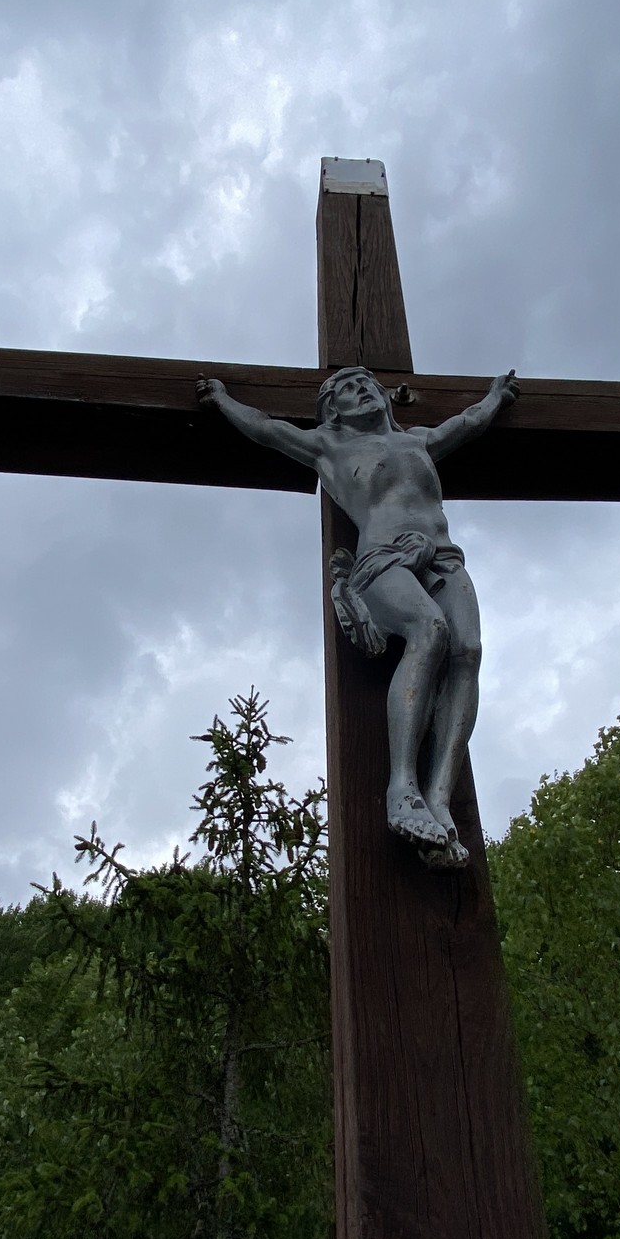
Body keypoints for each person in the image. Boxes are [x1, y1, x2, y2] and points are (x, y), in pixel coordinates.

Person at [198, 365, 517, 868]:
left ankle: (438, 798)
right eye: (346, 388)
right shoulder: (329, 447)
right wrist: (222, 399)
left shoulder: (418, 440)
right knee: (429, 630)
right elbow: (265, 428)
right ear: (332, 410)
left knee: (468, 653)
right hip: (382, 559)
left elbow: (468, 423)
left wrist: (497, 396)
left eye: (366, 383)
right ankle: (402, 788)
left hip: (442, 555)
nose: (361, 389)